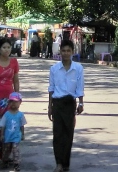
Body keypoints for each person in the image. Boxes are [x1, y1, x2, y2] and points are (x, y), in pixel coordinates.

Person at [48, 39, 84, 172]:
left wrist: (81, 102)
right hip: (57, 103)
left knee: (68, 134)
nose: (66, 53)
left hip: (70, 104)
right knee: (57, 134)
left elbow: (80, 87)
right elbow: (51, 89)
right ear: (60, 52)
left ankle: (66, 163)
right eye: (63, 50)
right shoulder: (54, 69)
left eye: (69, 51)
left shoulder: (78, 68)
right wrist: (50, 107)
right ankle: (58, 163)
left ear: (73, 52)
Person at [0, 92, 26, 171]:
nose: (13, 103)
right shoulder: (6, 114)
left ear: (20, 102)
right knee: (6, 150)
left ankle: (16, 164)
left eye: (15, 102)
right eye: (11, 101)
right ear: (8, 103)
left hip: (16, 136)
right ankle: (5, 161)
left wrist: (23, 134)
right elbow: (2, 125)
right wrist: (1, 135)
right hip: (7, 136)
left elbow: (22, 125)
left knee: (15, 150)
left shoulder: (20, 115)